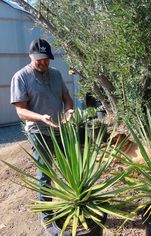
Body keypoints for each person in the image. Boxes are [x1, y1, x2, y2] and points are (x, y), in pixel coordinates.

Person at [10, 38, 74, 230]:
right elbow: (21, 111)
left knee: (70, 168)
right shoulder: (20, 77)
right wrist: (41, 117)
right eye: (40, 60)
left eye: (47, 59)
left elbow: (67, 99)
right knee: (45, 175)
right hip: (39, 132)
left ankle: (71, 204)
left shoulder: (55, 74)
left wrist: (69, 111)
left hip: (61, 129)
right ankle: (48, 219)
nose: (44, 63)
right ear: (30, 56)